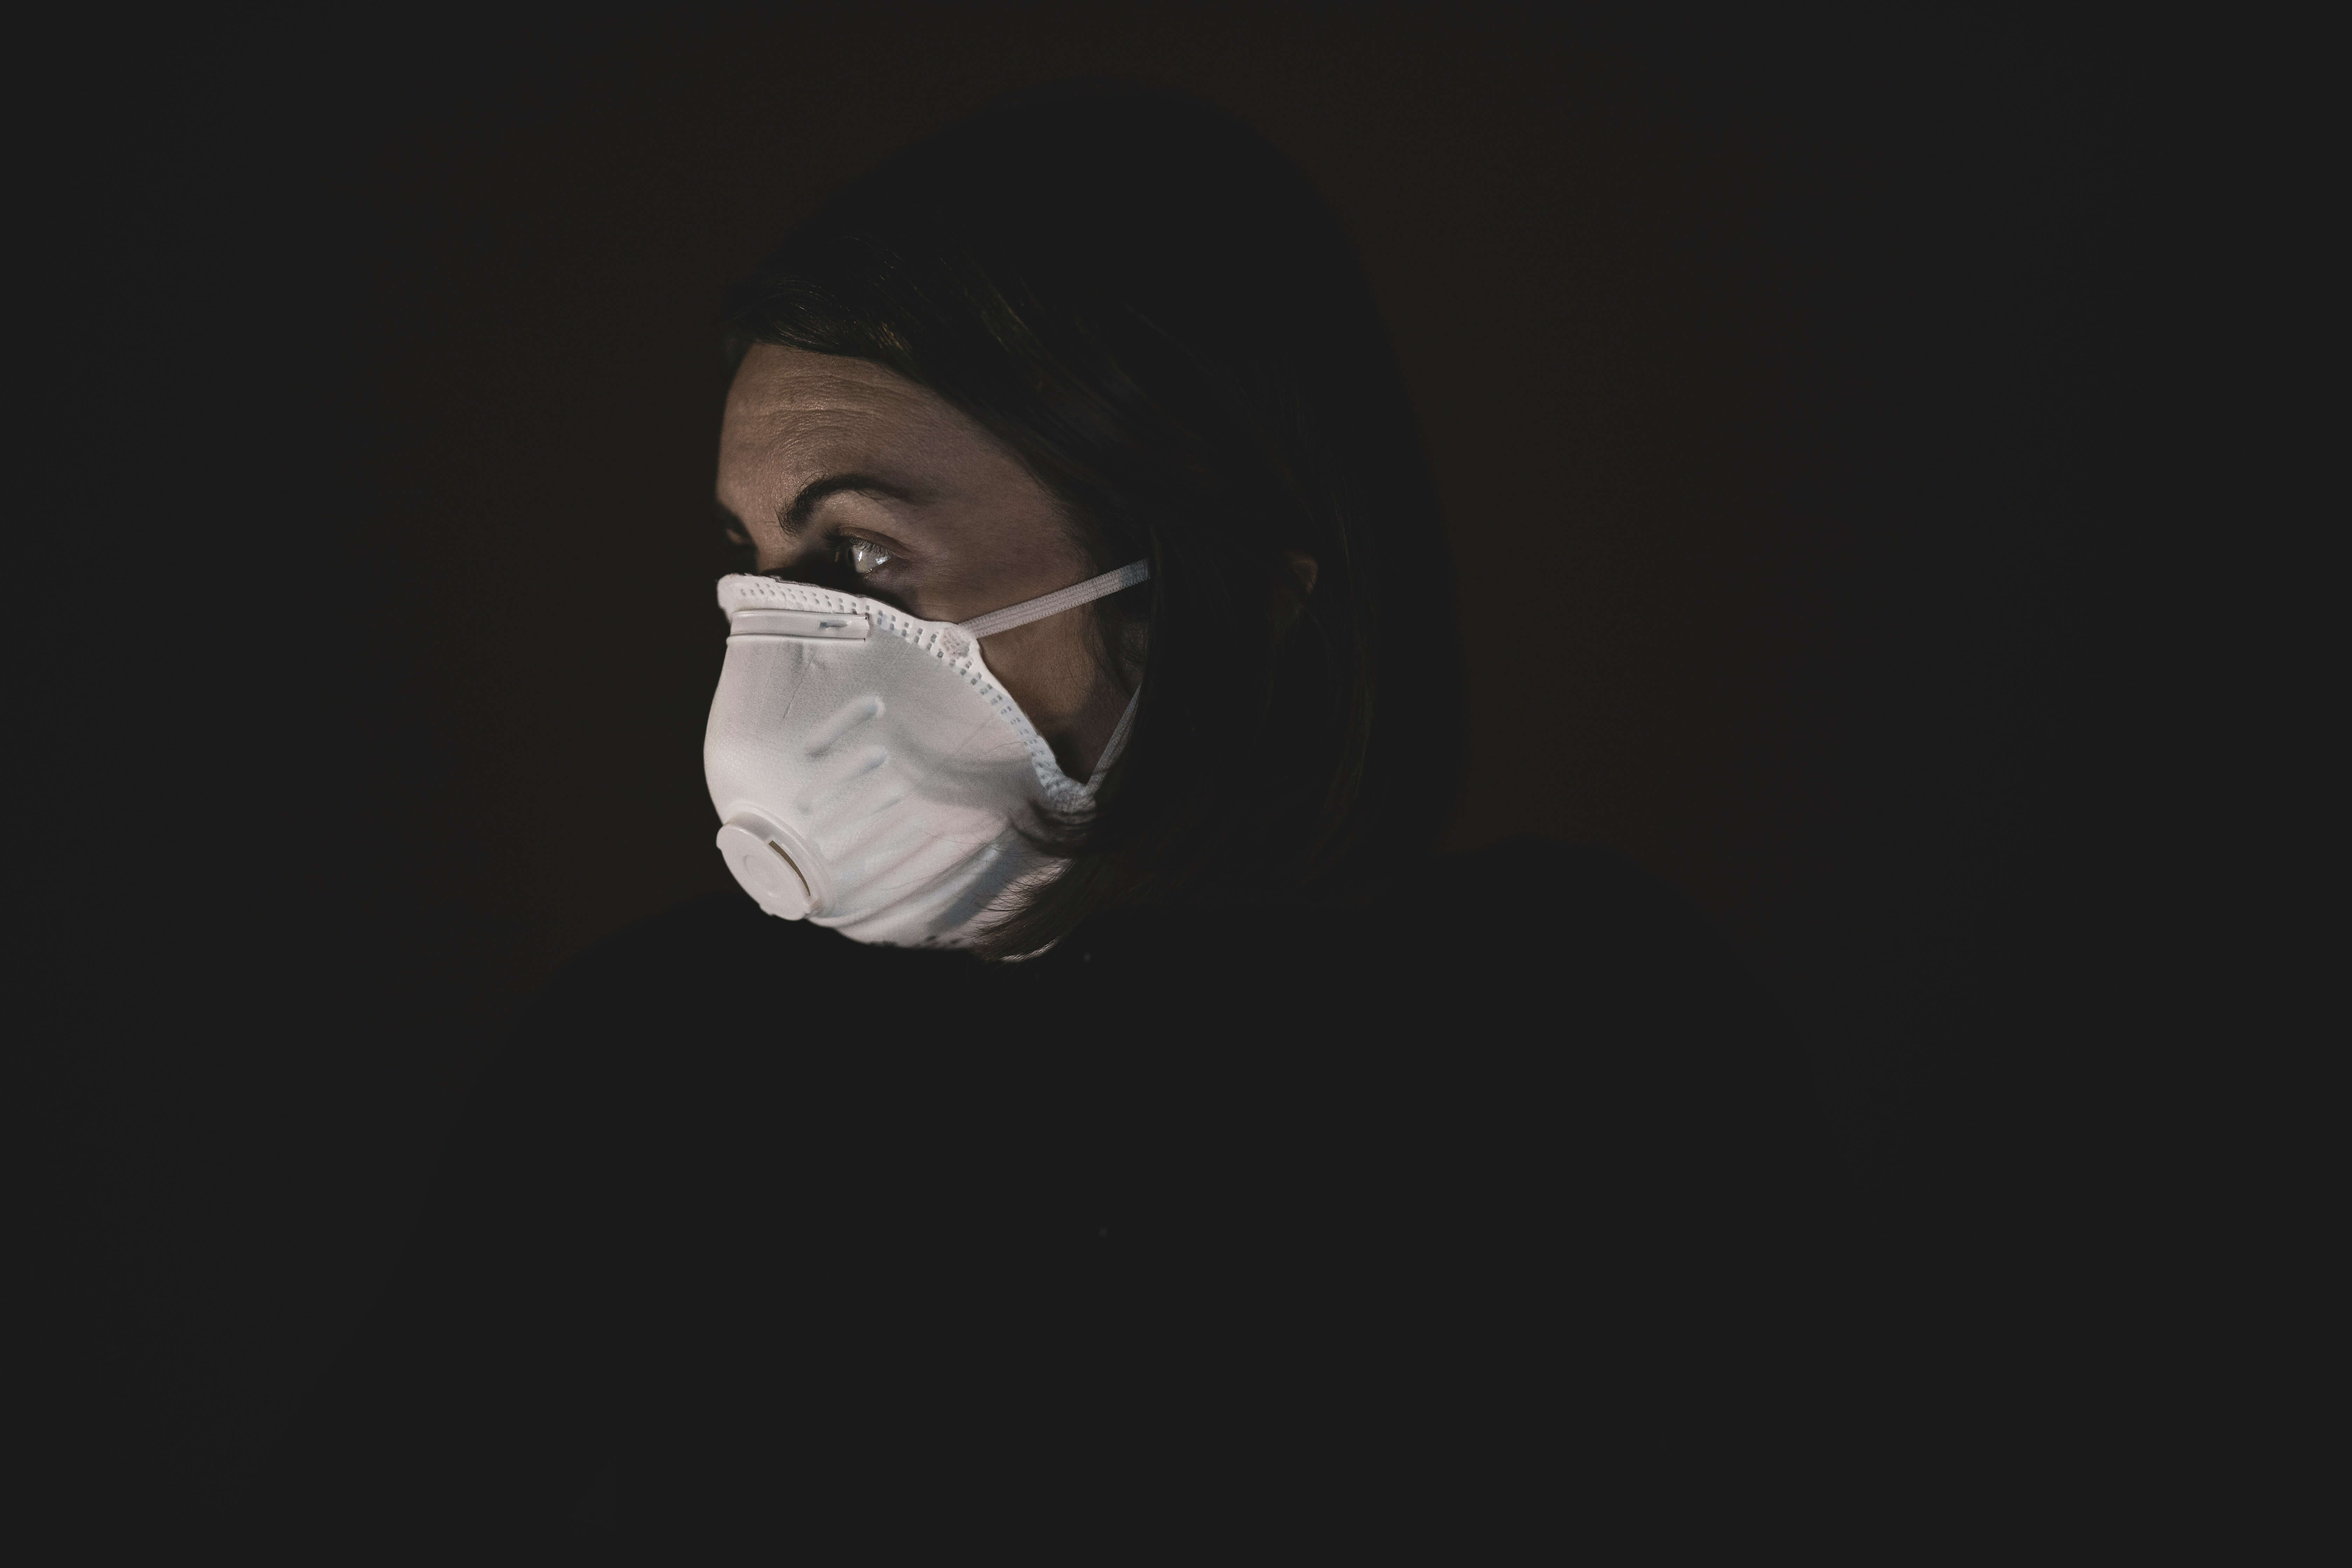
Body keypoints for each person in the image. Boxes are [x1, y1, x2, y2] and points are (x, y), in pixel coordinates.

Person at [259, 79, 1884, 1558]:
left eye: (866, 558)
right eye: (759, 563)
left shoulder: (1582, 1038)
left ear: (1219, 585)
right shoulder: (645, 1060)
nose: (781, 654)